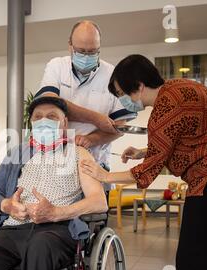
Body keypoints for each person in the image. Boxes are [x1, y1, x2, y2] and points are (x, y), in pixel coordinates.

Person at [80, 54, 207, 270]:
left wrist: (104, 175)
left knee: (197, 262)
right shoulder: (184, 86)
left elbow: (146, 174)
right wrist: (144, 151)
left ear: (138, 86)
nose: (122, 100)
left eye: (121, 93)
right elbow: (193, 138)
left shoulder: (164, 110)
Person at [0, 96, 108, 270]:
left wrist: (57, 213)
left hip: (57, 231)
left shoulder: (79, 154)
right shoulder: (18, 154)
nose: (44, 121)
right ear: (31, 124)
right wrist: (7, 205)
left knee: (39, 247)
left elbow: (98, 201)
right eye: (38, 117)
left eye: (51, 116)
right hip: (13, 228)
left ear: (64, 123)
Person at [36, 20, 136, 185]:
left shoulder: (114, 75)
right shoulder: (56, 66)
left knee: (94, 208)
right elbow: (50, 103)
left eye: (92, 52)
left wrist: (92, 139)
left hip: (95, 165)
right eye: (81, 51)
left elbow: (120, 126)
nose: (86, 57)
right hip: (55, 164)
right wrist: (96, 118)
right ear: (70, 46)